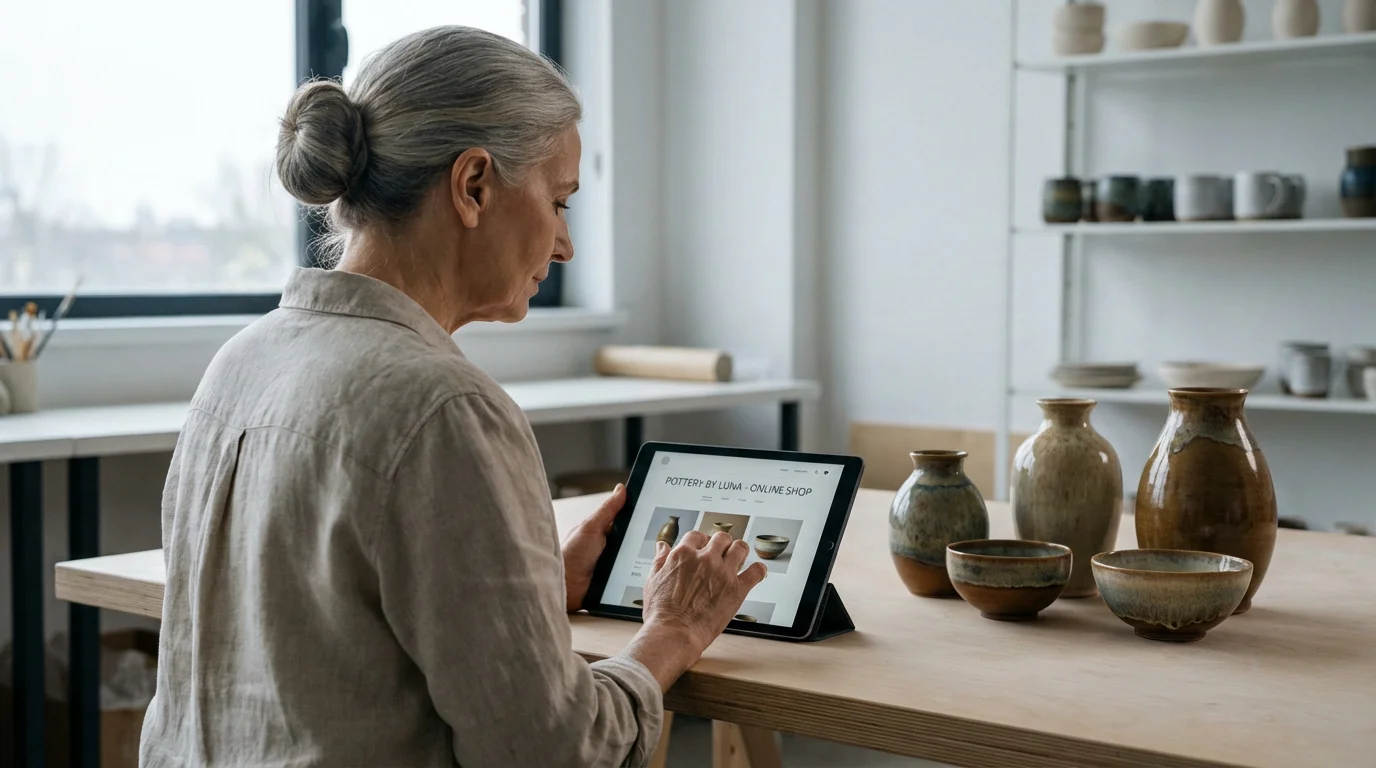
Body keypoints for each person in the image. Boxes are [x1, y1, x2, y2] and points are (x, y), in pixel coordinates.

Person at [140, 26, 767, 767]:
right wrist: (674, 629)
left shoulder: (241, 362)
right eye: (559, 201)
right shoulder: (444, 408)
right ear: (473, 186)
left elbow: (324, 635)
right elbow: (552, 752)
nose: (565, 245)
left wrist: (532, 589)